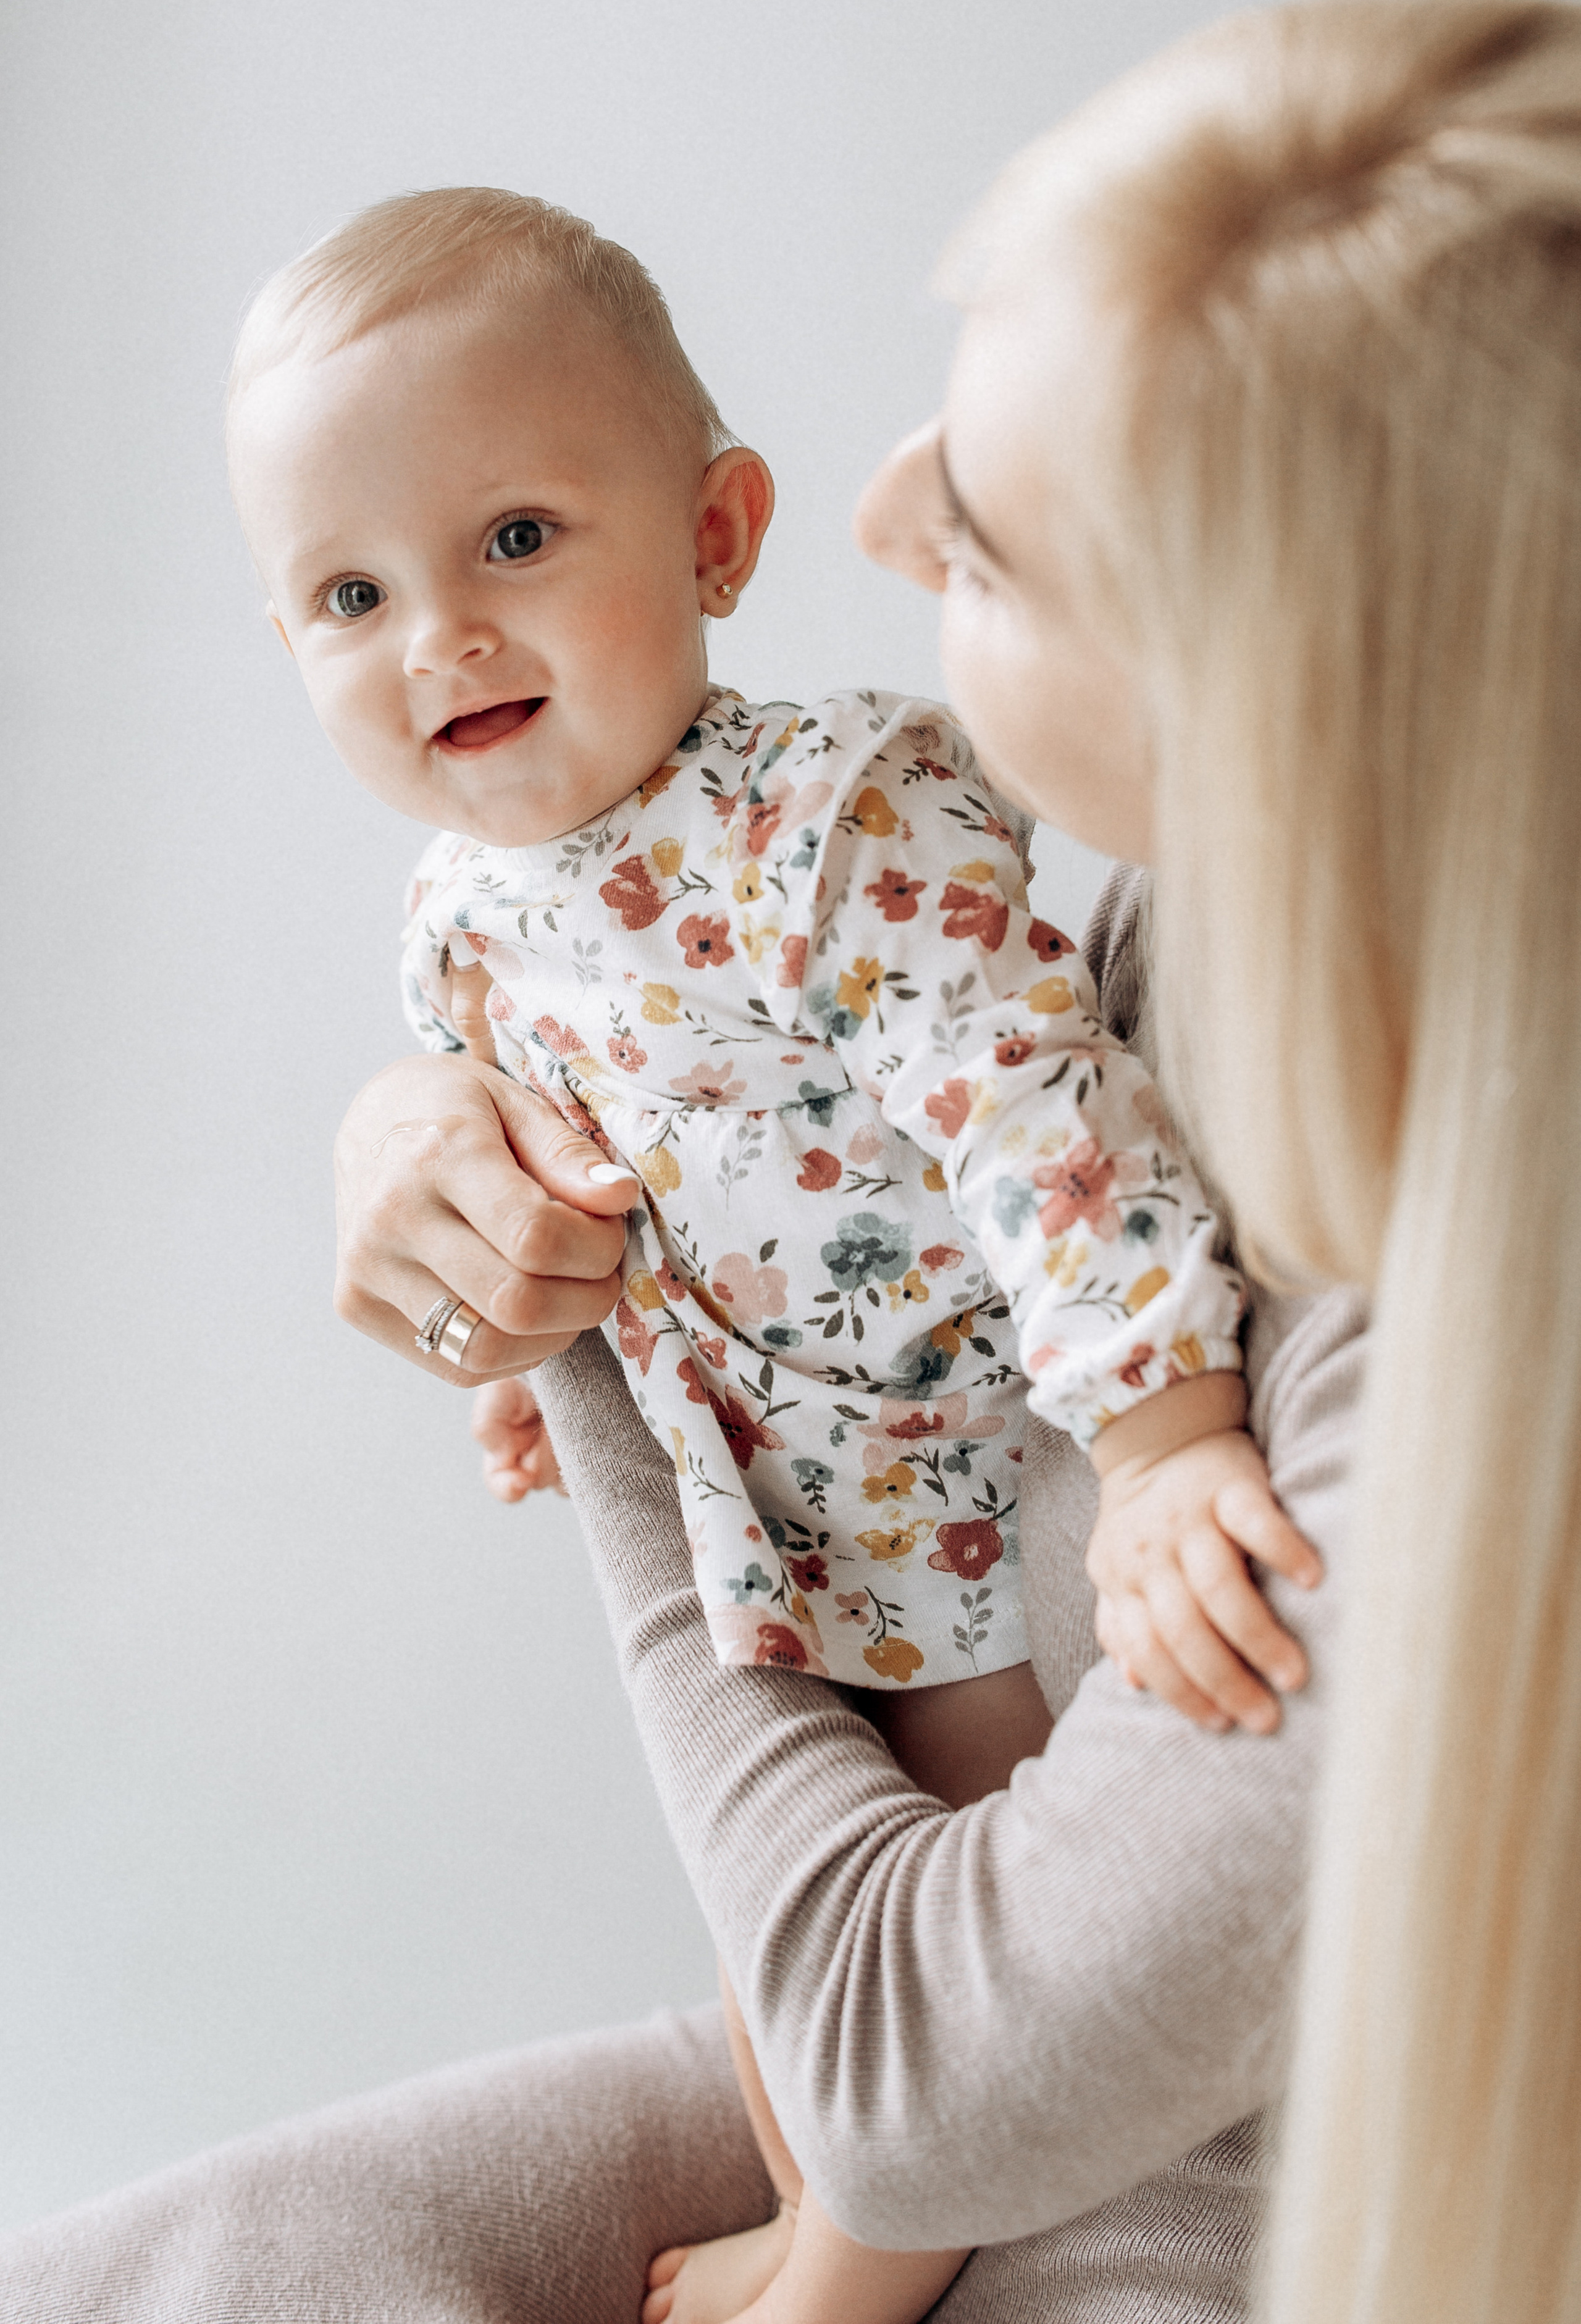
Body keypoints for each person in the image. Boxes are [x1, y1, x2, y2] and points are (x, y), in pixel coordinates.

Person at [5, 0, 1572, 2323]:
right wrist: (454, 1182)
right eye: (346, 597)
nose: (873, 510)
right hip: (869, 1901)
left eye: (993, 541)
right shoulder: (1205, 915)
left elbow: (923, 2062)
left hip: (1127, 2119)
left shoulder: (882, 845)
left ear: (1263, 686)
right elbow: (600, 1083)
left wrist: (609, 1362)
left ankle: (838, 2283)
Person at [222, 185, 1314, 2324]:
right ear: (292, 648)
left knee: (944, 1920)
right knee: (768, 1928)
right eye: (353, 593)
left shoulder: (836, 819)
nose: (440, 634)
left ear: (717, 536)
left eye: (515, 539)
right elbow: (583, 1196)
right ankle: (820, 2218)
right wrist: (536, 1353)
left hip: (970, 1468)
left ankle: (847, 2282)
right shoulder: (462, 920)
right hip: (763, 1498)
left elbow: (1036, 1109)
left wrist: (1168, 1440)